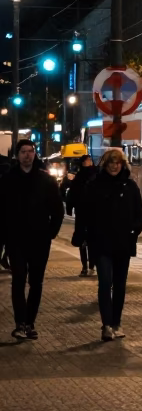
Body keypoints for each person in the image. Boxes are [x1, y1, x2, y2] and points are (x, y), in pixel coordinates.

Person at [0, 140, 65, 340]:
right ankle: (20, 323)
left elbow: (57, 210)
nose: (27, 155)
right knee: (19, 280)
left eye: (30, 151)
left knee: (36, 282)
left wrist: (50, 233)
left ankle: (30, 322)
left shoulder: (46, 181)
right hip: (16, 239)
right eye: (23, 152)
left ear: (35, 154)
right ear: (17, 155)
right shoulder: (8, 180)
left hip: (39, 240)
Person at [78, 148, 142, 342]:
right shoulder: (94, 186)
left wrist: (133, 230)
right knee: (105, 282)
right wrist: (86, 234)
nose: (114, 166)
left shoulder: (130, 186)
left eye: (118, 163)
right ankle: (107, 324)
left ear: (122, 164)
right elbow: (85, 212)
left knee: (120, 285)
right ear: (105, 165)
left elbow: (139, 214)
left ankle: (116, 322)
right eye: (111, 163)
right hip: (101, 242)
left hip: (123, 242)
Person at [66, 155, 97, 275]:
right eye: (85, 161)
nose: (88, 162)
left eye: (89, 160)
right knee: (82, 241)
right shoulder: (79, 177)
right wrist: (70, 207)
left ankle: (92, 266)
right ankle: (85, 266)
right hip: (81, 213)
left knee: (92, 241)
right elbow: (72, 193)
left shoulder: (96, 175)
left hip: (93, 214)